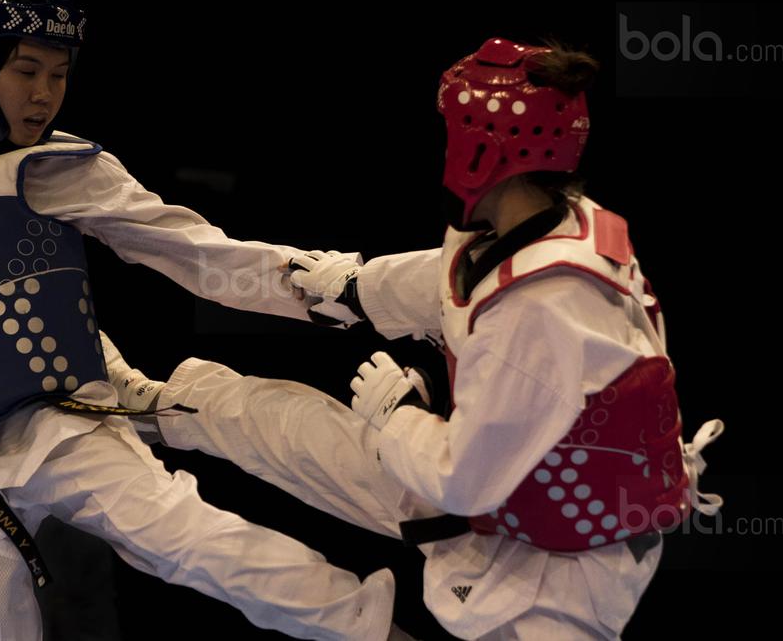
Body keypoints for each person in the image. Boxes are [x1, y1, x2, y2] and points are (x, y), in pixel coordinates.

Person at [0, 0, 396, 640]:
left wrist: (340, 288)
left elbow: (197, 255)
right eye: (26, 69)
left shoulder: (64, 168)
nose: (43, 93)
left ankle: (368, 626)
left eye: (60, 74)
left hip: (56, 423)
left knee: (192, 541)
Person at [105, 37, 726, 639]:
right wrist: (352, 287)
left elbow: (463, 479)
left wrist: (398, 415)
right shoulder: (550, 222)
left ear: (484, 147)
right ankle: (158, 405)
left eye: (454, 129)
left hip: (560, 565)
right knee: (289, 427)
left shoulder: (546, 311)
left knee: (334, 566)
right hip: (511, 491)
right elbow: (456, 277)